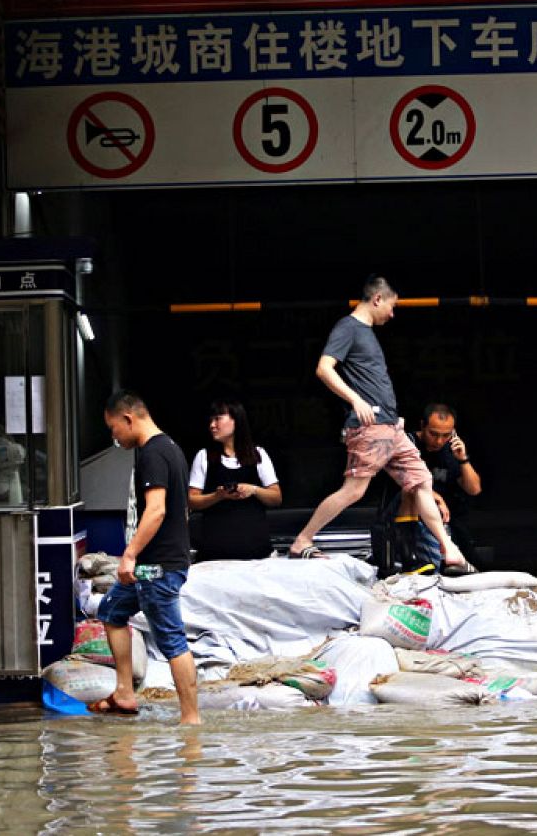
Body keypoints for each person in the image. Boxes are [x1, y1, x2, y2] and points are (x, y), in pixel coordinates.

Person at [286, 275, 476, 575]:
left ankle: (448, 550)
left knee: (422, 480)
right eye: (391, 305)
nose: (392, 313)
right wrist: (355, 401)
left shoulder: (366, 333)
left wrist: (392, 415)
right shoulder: (348, 327)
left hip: (391, 428)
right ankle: (302, 541)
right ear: (377, 299)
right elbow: (324, 368)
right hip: (371, 427)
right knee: (354, 490)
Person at [96, 391, 200, 724]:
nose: (115, 437)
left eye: (114, 430)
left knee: (171, 638)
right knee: (111, 610)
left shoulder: (154, 453)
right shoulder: (169, 448)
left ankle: (191, 718)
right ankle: (124, 693)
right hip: (154, 565)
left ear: (128, 419)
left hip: (157, 568)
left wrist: (129, 555)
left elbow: (156, 511)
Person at [387, 403, 482, 568]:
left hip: (447, 519)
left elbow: (474, 489)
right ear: (423, 425)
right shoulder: (407, 444)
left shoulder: (450, 450)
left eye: (446, 435)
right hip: (409, 514)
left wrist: (463, 459)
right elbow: (408, 481)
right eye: (434, 434)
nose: (439, 441)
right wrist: (435, 497)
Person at [187, 399, 282, 561]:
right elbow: (192, 501)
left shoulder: (258, 454)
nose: (212, 425)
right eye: (211, 420)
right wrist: (218, 496)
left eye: (218, 419)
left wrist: (253, 489)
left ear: (236, 420)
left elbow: (276, 498)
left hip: (257, 555)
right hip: (215, 556)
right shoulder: (204, 456)